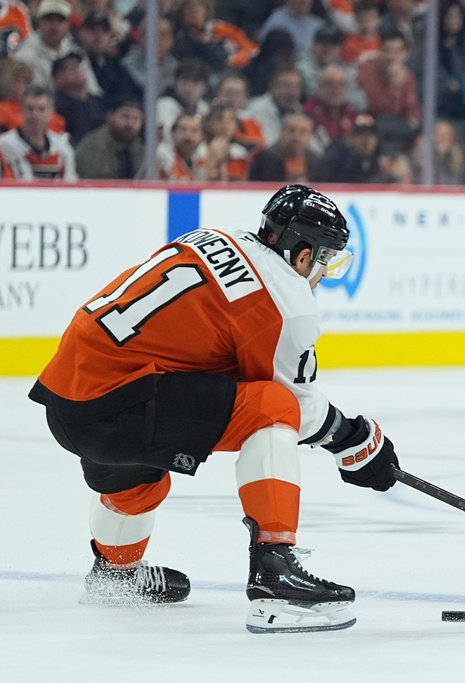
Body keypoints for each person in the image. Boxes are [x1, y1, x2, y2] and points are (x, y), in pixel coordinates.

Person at [27, 184, 400, 633]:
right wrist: (354, 439)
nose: (322, 273)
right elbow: (296, 405)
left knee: (145, 464)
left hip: (69, 398)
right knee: (272, 406)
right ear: (302, 255)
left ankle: (115, 575)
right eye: (324, 260)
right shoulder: (287, 300)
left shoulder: (214, 237)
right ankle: (274, 573)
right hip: (120, 404)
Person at [0, 84, 77, 180]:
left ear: (51, 112)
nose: (35, 115)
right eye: (30, 108)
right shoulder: (4, 145)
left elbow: (71, 185)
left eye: (41, 109)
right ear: (21, 110)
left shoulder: (63, 148)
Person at [74, 96, 144, 179]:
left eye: (135, 119)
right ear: (110, 115)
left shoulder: (142, 145)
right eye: (125, 116)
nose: (130, 124)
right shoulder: (93, 145)